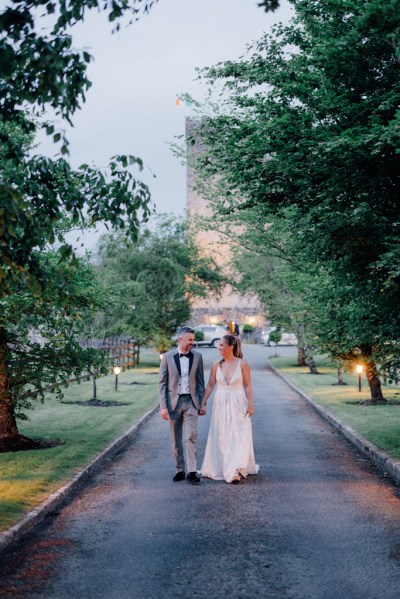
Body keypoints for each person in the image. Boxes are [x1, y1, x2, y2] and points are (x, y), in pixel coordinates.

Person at [199, 334, 259, 484]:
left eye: (221, 345)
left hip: (238, 402)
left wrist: (250, 403)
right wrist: (203, 402)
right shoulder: (216, 365)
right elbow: (211, 385)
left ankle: (234, 469)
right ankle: (225, 465)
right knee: (223, 435)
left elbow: (247, 385)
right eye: (218, 345)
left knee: (238, 435)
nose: (219, 348)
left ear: (231, 346)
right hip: (221, 404)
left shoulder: (242, 364)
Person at [159, 326, 205, 484]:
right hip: (173, 403)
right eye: (190, 340)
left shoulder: (198, 357)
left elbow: (200, 383)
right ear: (180, 340)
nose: (192, 342)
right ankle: (179, 469)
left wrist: (202, 403)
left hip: (191, 402)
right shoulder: (167, 357)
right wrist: (163, 406)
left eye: (193, 339)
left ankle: (192, 471)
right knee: (175, 438)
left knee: (191, 435)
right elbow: (162, 384)